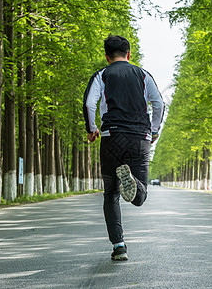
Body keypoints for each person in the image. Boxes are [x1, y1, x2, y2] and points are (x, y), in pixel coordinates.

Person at [83, 35, 164, 261]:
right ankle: (133, 181)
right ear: (129, 54)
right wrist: (154, 131)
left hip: (111, 137)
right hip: (139, 138)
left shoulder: (102, 74)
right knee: (140, 197)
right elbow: (159, 103)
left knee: (111, 194)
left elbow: (90, 103)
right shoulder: (144, 75)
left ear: (107, 57)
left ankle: (119, 247)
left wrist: (92, 129)